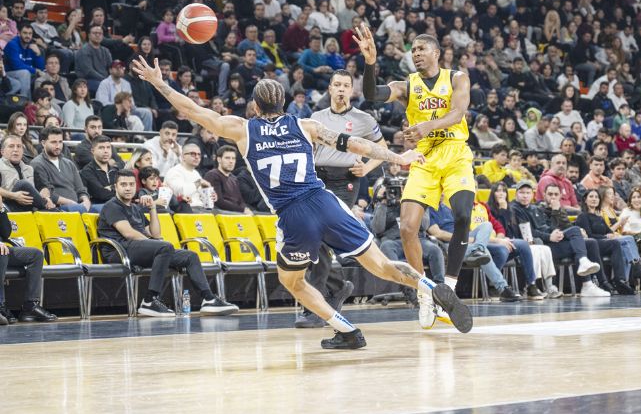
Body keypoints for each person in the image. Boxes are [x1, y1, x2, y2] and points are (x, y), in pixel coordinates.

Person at [132, 56, 472, 348]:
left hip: (293, 216)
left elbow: (191, 109)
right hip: (325, 201)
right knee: (381, 264)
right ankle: (430, 286)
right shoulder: (307, 125)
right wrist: (398, 157)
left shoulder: (242, 129)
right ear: (284, 103)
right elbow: (355, 144)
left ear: (255, 106)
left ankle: (347, 330)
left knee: (292, 281)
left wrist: (160, 83)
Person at [357, 24, 475, 329]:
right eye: (413, 51)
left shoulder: (457, 77)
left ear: (436, 52)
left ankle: (448, 288)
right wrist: (370, 62)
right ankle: (425, 293)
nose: (416, 54)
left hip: (455, 153)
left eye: (422, 49)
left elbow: (458, 113)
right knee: (408, 228)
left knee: (463, 215)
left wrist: (426, 126)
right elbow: (371, 93)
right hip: (424, 158)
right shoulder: (407, 85)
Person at [296, 71, 384, 328]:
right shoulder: (316, 117)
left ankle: (315, 309)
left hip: (346, 181)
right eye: (337, 85)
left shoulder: (364, 119)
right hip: (317, 179)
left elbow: (382, 148)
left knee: (320, 239)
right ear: (330, 89)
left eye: (346, 85)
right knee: (316, 240)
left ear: (352, 90)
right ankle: (337, 287)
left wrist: (366, 168)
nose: (342, 89)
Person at [98, 170, 237, 317]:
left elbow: (155, 233)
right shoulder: (112, 206)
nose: (128, 188)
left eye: (131, 184)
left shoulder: (135, 208)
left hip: (137, 249)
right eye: (123, 184)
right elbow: (128, 233)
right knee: (164, 246)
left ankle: (208, 299)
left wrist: (152, 208)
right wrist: (156, 244)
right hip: (119, 251)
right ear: (116, 187)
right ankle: (150, 300)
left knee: (190, 256)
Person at [0, 196, 58, 324]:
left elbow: (6, 233)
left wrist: (1, 210)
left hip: (3, 249)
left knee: (35, 255)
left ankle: (30, 305)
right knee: (2, 253)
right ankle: (0, 306)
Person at [31, 126, 93, 213]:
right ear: (43, 143)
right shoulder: (37, 164)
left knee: (103, 209)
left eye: (60, 142)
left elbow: (81, 189)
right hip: (57, 209)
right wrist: (72, 203)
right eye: (53, 142)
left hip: (77, 206)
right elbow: (47, 194)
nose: (58, 146)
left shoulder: (69, 163)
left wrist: (86, 201)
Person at [0, 135, 56, 212]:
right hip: (8, 205)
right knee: (23, 184)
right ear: (2, 151)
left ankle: (48, 207)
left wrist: (46, 197)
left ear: (23, 151)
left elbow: (42, 187)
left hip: (30, 206)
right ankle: (47, 206)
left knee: (47, 211)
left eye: (19, 146)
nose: (15, 150)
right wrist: (14, 196)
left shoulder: (30, 168)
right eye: (11, 146)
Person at [79, 135, 118, 206]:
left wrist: (111, 188)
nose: (106, 151)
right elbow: (102, 194)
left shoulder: (115, 170)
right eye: (101, 148)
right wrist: (115, 188)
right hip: (99, 207)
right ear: (93, 151)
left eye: (108, 147)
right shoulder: (87, 171)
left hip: (118, 206)